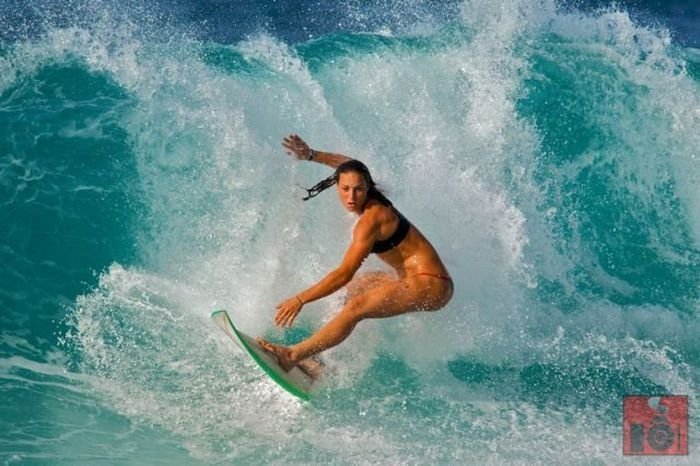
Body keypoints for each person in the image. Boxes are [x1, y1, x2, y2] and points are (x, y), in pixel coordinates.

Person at [257, 134, 453, 375]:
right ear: (337, 185)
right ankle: (317, 358)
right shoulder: (358, 183)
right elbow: (347, 164)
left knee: (357, 305)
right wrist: (311, 155)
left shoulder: (372, 220)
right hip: (412, 279)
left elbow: (343, 274)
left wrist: (300, 300)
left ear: (367, 187)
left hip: (433, 286)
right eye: (345, 189)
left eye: (358, 190)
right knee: (356, 290)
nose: (351, 197)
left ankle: (292, 355)